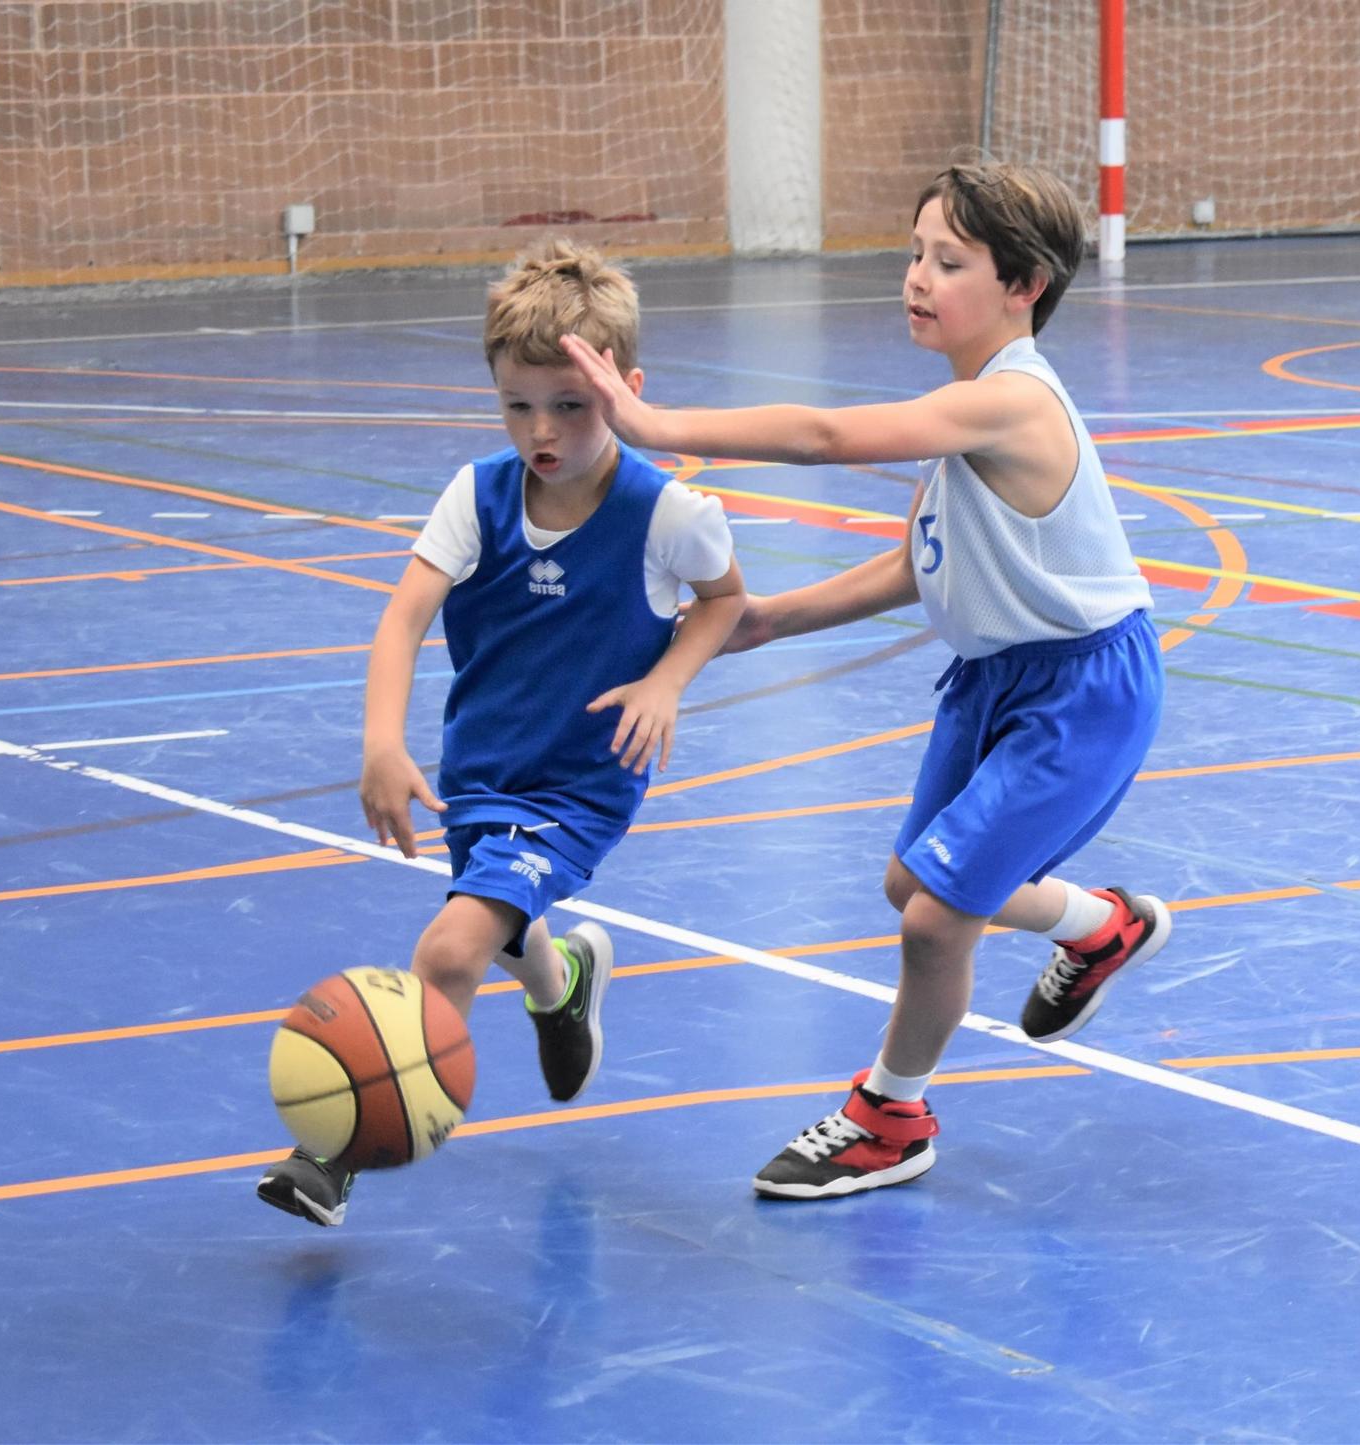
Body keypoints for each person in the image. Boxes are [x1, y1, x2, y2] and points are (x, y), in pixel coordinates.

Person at [561, 159, 1169, 1200]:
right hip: (994, 679)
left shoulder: (1012, 402)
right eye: (913, 254)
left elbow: (823, 435)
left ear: (1022, 285)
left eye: (948, 261)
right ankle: (1099, 923)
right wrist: (761, 621)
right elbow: (914, 563)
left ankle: (891, 1113)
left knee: (934, 917)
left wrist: (656, 428)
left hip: (1080, 691)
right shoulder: (970, 411)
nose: (916, 277)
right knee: (912, 884)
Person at [259, 239, 746, 1226]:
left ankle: (336, 1154)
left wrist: (665, 679)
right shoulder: (476, 495)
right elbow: (401, 619)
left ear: (626, 388)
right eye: (518, 405)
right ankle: (560, 984)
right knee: (497, 914)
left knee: (449, 946)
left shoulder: (668, 515)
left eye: (570, 405)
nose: (542, 431)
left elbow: (726, 601)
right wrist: (381, 742)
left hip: (577, 785)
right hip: (480, 771)